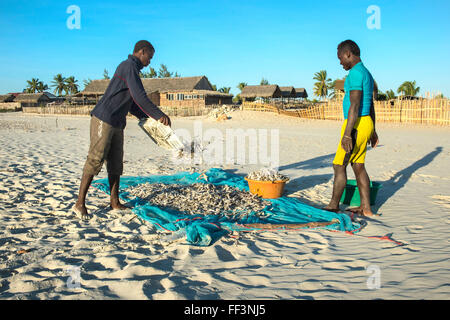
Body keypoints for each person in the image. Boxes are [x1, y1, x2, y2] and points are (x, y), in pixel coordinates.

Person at [73, 40, 171, 220]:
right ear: (142, 52)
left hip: (118, 122)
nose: (150, 61)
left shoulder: (133, 70)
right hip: (104, 118)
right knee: (96, 158)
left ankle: (114, 202)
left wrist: (146, 118)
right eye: (150, 57)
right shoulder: (128, 67)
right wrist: (159, 115)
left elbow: (132, 103)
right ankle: (80, 203)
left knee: (116, 163)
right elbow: (141, 97)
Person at [323, 40, 379, 217]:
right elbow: (370, 106)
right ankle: (366, 208)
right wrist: (373, 130)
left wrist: (347, 135)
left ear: (348, 54)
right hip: (365, 122)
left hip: (355, 124)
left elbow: (355, 106)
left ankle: (333, 206)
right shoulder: (366, 73)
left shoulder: (355, 73)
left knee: (339, 165)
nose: (340, 62)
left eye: (340, 58)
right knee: (358, 165)